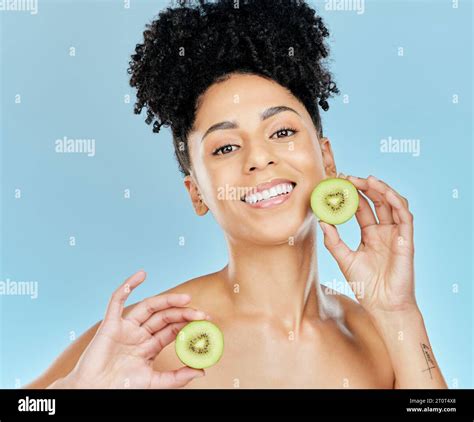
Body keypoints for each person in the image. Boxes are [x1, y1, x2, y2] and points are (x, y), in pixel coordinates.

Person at [25, 0, 446, 389]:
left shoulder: (383, 336)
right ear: (197, 193)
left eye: (281, 131)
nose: (258, 158)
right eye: (226, 147)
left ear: (326, 158)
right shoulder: (145, 339)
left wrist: (398, 313)